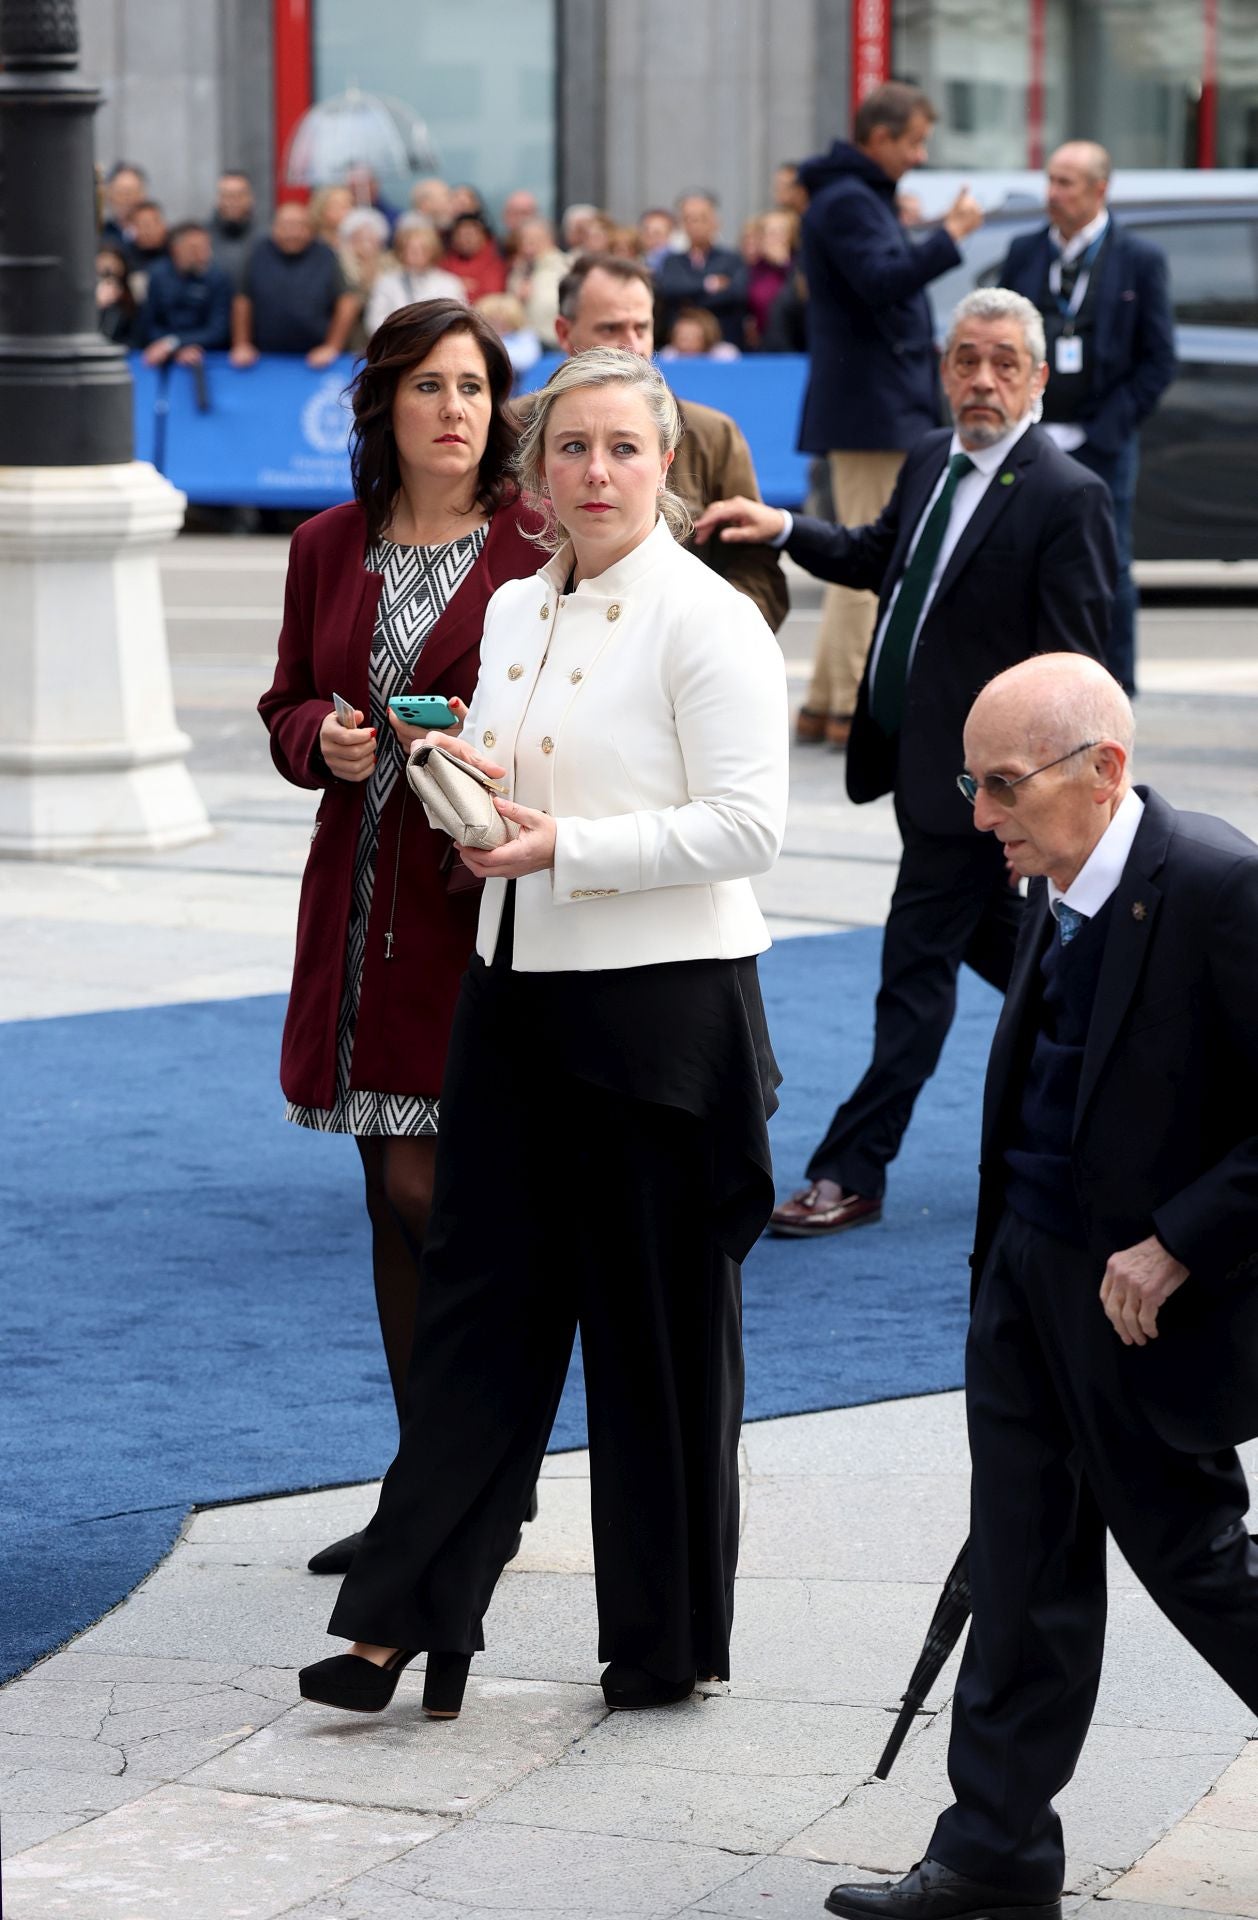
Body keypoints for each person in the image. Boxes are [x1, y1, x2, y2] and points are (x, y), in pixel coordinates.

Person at [295, 346, 788, 1721]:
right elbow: (515, 771)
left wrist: (567, 841)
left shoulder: (708, 619)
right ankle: (400, 1625)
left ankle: (663, 1640)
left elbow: (750, 828)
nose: (593, 474)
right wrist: (467, 779)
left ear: (668, 468)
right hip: (507, 1002)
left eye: (623, 449)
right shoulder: (513, 608)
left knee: (657, 1345)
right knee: (477, 1321)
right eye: (569, 450)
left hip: (663, 1016)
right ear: (535, 472)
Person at [824, 652, 1258, 1920]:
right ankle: (994, 1854)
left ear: (1103, 771)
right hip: (1022, 1274)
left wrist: (1177, 1239)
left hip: (1140, 1303)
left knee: (1197, 1566)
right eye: (973, 781)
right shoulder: (1048, 877)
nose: (979, 814)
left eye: (1002, 783)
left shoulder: (1221, 888)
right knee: (1020, 1563)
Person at [695, 289, 1116, 1239]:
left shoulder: (1064, 496)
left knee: (911, 979)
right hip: (915, 768)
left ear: (1039, 379)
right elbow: (883, 557)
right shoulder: (933, 458)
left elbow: (1078, 674)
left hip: (981, 797)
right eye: (966, 358)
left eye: (1005, 362)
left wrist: (1033, 805)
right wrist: (786, 529)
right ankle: (1133, 1040)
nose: (982, 379)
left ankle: (852, 1166)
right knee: (1028, 960)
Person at [258, 300, 542, 1577]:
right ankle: (426, 1488)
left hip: (475, 906)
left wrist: (474, 750)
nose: (453, 411)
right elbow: (285, 698)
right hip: (357, 910)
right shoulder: (327, 544)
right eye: (428, 387)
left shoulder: (535, 544)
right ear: (385, 405)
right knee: (388, 1199)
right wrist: (318, 735)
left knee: (444, 1200)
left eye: (473, 389)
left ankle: (467, 1487)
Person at [795, 83, 984, 749]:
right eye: (912, 140)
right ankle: (847, 705)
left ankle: (825, 704)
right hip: (873, 407)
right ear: (879, 139)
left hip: (870, 404)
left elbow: (879, 274)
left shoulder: (849, 196)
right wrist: (951, 235)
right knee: (870, 559)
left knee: (860, 551)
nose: (921, 153)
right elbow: (883, 279)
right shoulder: (850, 199)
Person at [999, 141, 1176, 697]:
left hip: (1103, 441)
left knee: (1110, 565)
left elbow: (1157, 359)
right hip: (1032, 437)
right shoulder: (1025, 252)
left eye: (1067, 182)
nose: (1054, 193)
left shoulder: (1138, 259)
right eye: (1050, 180)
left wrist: (1105, 431)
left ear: (1100, 190)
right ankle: (1025, 681)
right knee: (1019, 557)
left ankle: (1112, 688)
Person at [552, 254, 788, 632]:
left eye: (641, 328)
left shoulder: (712, 435)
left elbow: (758, 577)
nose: (632, 346)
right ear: (564, 333)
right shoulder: (514, 428)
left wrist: (700, 637)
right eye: (610, 329)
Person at [231, 202, 360, 369]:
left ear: (311, 229)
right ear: (274, 228)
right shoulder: (258, 253)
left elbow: (348, 302)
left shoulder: (326, 255)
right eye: (285, 226)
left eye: (299, 226)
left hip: (316, 362)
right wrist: (242, 344)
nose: (292, 233)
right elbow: (242, 301)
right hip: (263, 361)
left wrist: (332, 347)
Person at [655, 191, 748, 349]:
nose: (695, 224)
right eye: (688, 219)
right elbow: (669, 289)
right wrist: (708, 285)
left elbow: (736, 294)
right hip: (679, 347)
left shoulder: (732, 259)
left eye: (701, 218)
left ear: (715, 221)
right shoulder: (671, 261)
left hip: (724, 343)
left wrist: (687, 299)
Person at [134, 222, 233, 365]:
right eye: (194, 249)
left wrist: (174, 343)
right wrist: (173, 349)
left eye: (206, 247)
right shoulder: (156, 274)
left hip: (206, 355)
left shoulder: (218, 278)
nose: (203, 255)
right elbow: (147, 323)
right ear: (176, 249)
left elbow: (218, 330)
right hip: (159, 354)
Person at [365, 217, 466, 336]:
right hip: (396, 344)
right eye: (411, 249)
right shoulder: (386, 282)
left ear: (433, 251)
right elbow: (373, 321)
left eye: (422, 249)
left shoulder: (449, 283)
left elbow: (458, 319)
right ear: (402, 251)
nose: (416, 254)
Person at [505, 215, 569, 348]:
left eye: (534, 241)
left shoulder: (565, 268)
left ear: (549, 240)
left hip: (554, 345)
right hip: (523, 344)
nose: (528, 248)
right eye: (524, 242)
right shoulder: (518, 270)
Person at [744, 210, 798, 349]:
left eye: (781, 233)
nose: (775, 238)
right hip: (761, 344)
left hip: (796, 343)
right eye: (770, 233)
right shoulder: (752, 269)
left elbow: (800, 296)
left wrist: (783, 264)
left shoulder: (799, 266)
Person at [440, 211, 507, 303]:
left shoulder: (495, 262)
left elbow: (492, 295)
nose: (466, 240)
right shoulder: (444, 262)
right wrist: (459, 285)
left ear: (483, 236)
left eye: (470, 234)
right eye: (461, 235)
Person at [207, 169, 257, 288]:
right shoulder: (202, 238)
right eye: (227, 195)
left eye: (239, 195)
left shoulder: (265, 239)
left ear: (250, 199)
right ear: (217, 199)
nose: (233, 201)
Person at [474, 291, 542, 376]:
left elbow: (526, 360)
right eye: (491, 320)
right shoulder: (477, 337)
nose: (497, 324)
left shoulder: (525, 336)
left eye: (504, 321)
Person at [125, 201, 170, 302]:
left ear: (164, 225)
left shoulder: (176, 254)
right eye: (142, 225)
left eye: (152, 224)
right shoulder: (124, 257)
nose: (147, 230)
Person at [99, 162, 147, 255]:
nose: (126, 199)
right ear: (109, 196)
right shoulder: (100, 236)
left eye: (131, 192)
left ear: (143, 195)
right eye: (120, 193)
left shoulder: (159, 239)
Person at [660, 305, 740, 361]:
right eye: (682, 337)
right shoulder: (668, 356)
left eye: (692, 337)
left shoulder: (725, 356)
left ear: (707, 336)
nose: (686, 343)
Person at [95, 245, 137, 346]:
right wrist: (98, 305)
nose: (109, 268)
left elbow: (136, 336)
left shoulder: (129, 295)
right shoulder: (88, 297)